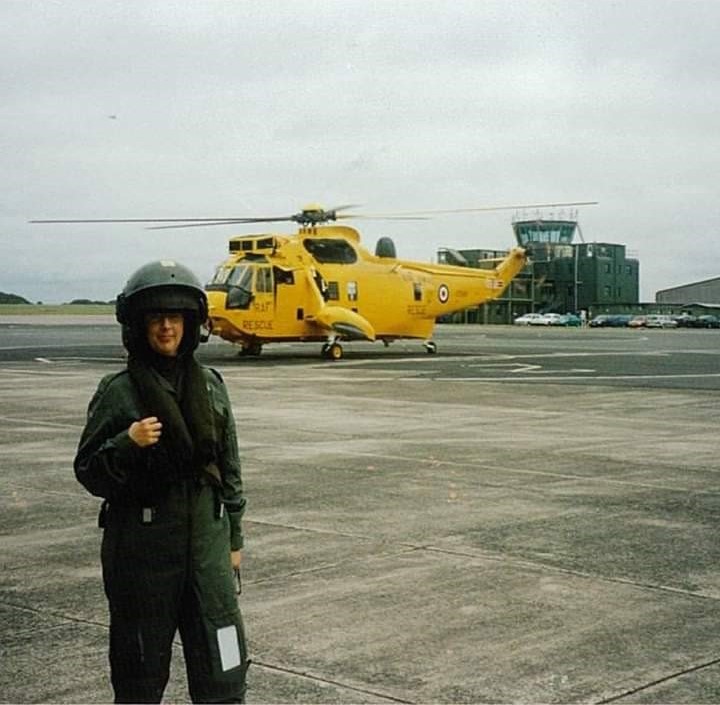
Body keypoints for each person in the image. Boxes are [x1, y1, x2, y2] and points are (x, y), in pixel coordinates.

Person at [74, 260, 249, 703]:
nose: (167, 327)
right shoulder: (119, 391)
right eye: (156, 317)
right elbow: (88, 469)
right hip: (144, 554)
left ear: (191, 324)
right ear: (139, 325)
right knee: (139, 674)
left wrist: (234, 539)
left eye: (175, 317)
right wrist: (127, 442)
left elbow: (229, 468)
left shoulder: (210, 386)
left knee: (225, 662)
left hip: (208, 551)